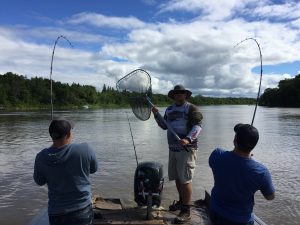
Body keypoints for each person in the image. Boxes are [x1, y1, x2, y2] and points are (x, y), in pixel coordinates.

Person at [152, 84, 203, 224]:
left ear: (186, 95)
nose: (179, 94)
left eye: (182, 92)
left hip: (187, 149)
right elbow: (164, 126)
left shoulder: (191, 108)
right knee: (177, 178)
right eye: (177, 93)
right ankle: (181, 202)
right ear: (173, 95)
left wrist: (188, 139)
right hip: (173, 149)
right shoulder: (169, 109)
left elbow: (198, 126)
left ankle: (186, 211)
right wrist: (156, 114)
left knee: (185, 179)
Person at [33, 118, 98, 225]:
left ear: (52, 136)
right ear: (68, 134)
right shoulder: (85, 149)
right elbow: (93, 169)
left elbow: (39, 181)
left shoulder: (41, 157)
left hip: (56, 214)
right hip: (82, 211)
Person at [209, 123, 275, 225]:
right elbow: (270, 197)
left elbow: (226, 163)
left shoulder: (217, 154)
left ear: (235, 140)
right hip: (240, 221)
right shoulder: (261, 172)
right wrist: (250, 161)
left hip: (215, 212)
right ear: (254, 145)